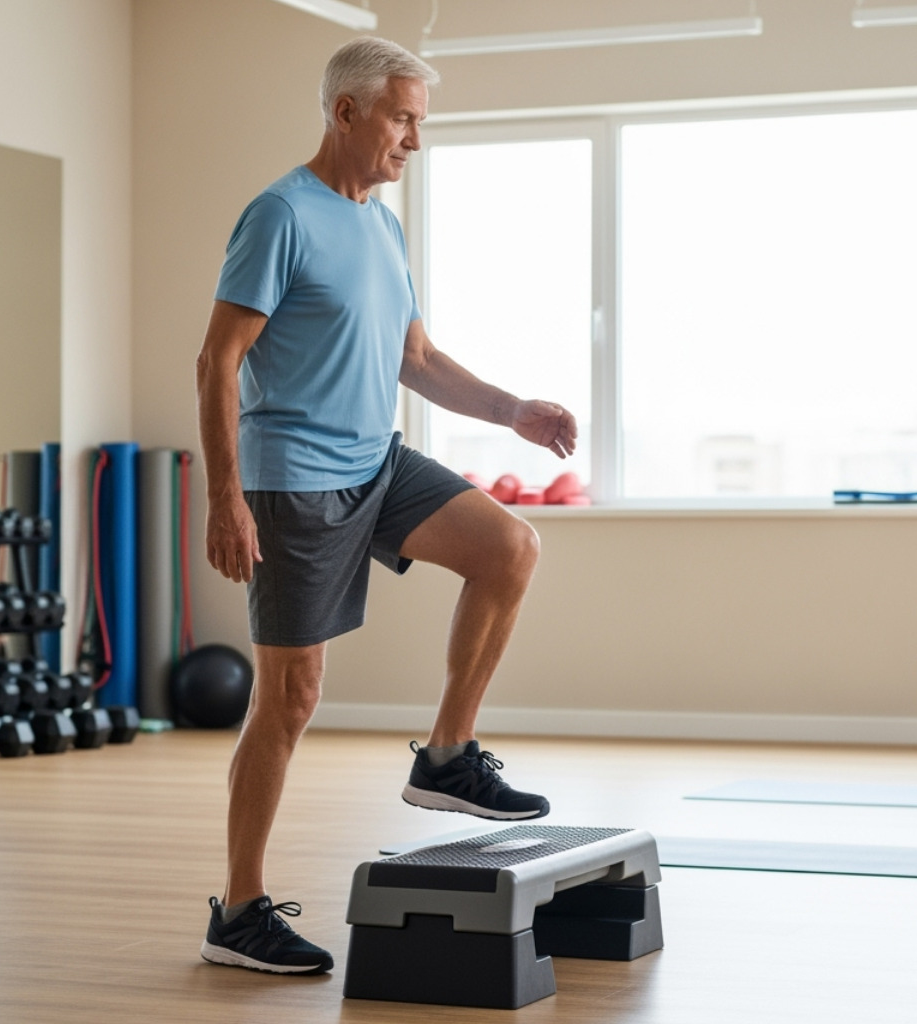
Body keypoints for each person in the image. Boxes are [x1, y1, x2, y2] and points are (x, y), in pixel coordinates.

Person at [193, 36, 577, 977]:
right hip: (294, 480)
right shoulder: (281, 214)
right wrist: (225, 498)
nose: (414, 140)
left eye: (419, 122)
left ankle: (447, 754)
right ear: (347, 113)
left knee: (509, 548)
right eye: (403, 119)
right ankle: (238, 911)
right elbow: (218, 361)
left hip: (379, 461)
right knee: (290, 699)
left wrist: (511, 410)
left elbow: (416, 358)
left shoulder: (385, 227)